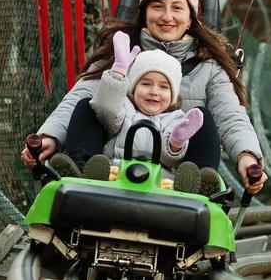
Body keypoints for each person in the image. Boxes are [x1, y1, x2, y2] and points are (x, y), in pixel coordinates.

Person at [22, 0, 266, 196]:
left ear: (191, 18)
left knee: (203, 117)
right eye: (158, 6)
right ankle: (80, 170)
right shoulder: (119, 55)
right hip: (110, 167)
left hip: (175, 173)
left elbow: (231, 116)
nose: (167, 16)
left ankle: (199, 183)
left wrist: (247, 155)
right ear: (144, 12)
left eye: (177, 8)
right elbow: (77, 97)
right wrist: (49, 136)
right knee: (88, 104)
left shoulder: (210, 68)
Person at [48, 30, 211, 191]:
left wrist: (176, 142)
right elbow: (106, 107)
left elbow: (170, 158)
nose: (154, 91)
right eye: (146, 84)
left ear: (173, 95)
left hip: (159, 181)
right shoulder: (125, 108)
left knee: (176, 176)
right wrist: (118, 72)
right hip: (115, 173)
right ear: (133, 88)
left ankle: (194, 187)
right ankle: (82, 172)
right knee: (87, 105)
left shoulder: (176, 118)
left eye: (163, 87)